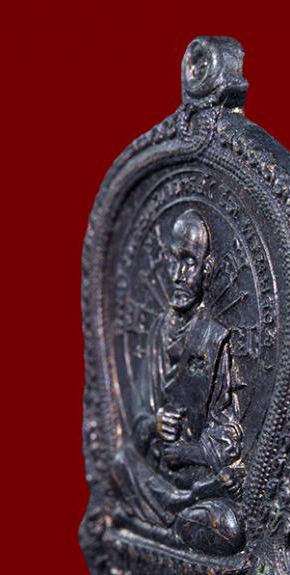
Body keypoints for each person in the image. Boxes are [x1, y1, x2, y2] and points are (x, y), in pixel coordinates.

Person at [112, 209, 245, 556]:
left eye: (189, 262)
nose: (177, 275)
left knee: (228, 527)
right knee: (120, 465)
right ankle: (175, 515)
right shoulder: (158, 333)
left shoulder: (214, 339)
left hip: (196, 480)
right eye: (173, 261)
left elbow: (228, 439)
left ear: (207, 269)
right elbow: (138, 421)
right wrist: (154, 425)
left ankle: (172, 515)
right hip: (156, 476)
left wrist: (188, 451)